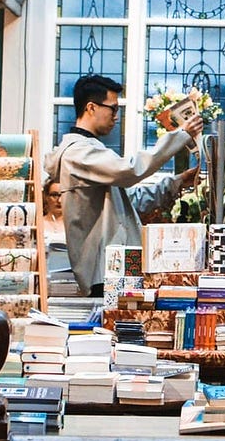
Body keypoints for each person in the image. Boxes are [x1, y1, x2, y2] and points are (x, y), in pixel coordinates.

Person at [44, 74, 204, 296]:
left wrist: (177, 182)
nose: (116, 117)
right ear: (91, 107)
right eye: (113, 109)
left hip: (117, 263)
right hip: (104, 267)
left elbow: (130, 200)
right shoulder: (77, 153)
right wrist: (180, 136)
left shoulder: (91, 149)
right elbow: (131, 170)